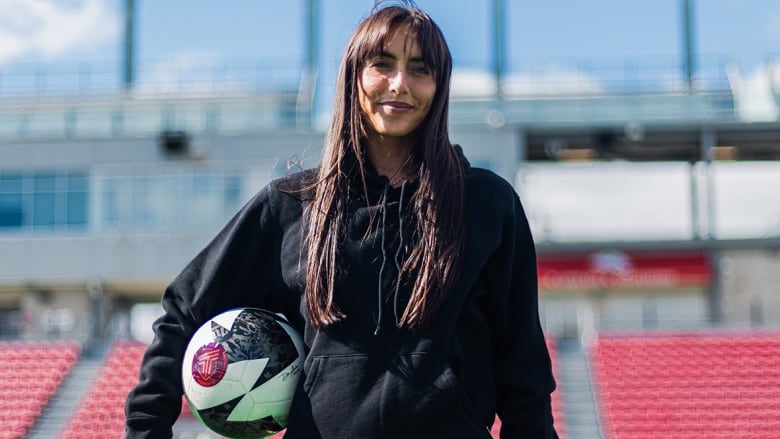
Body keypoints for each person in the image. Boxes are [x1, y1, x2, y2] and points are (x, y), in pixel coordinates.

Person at [125, 2, 558, 438]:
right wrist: (146, 427)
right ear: (354, 77)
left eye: (420, 69)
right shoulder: (292, 205)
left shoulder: (487, 204)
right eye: (382, 65)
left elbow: (525, 377)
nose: (400, 84)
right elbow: (183, 309)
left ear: (439, 86)